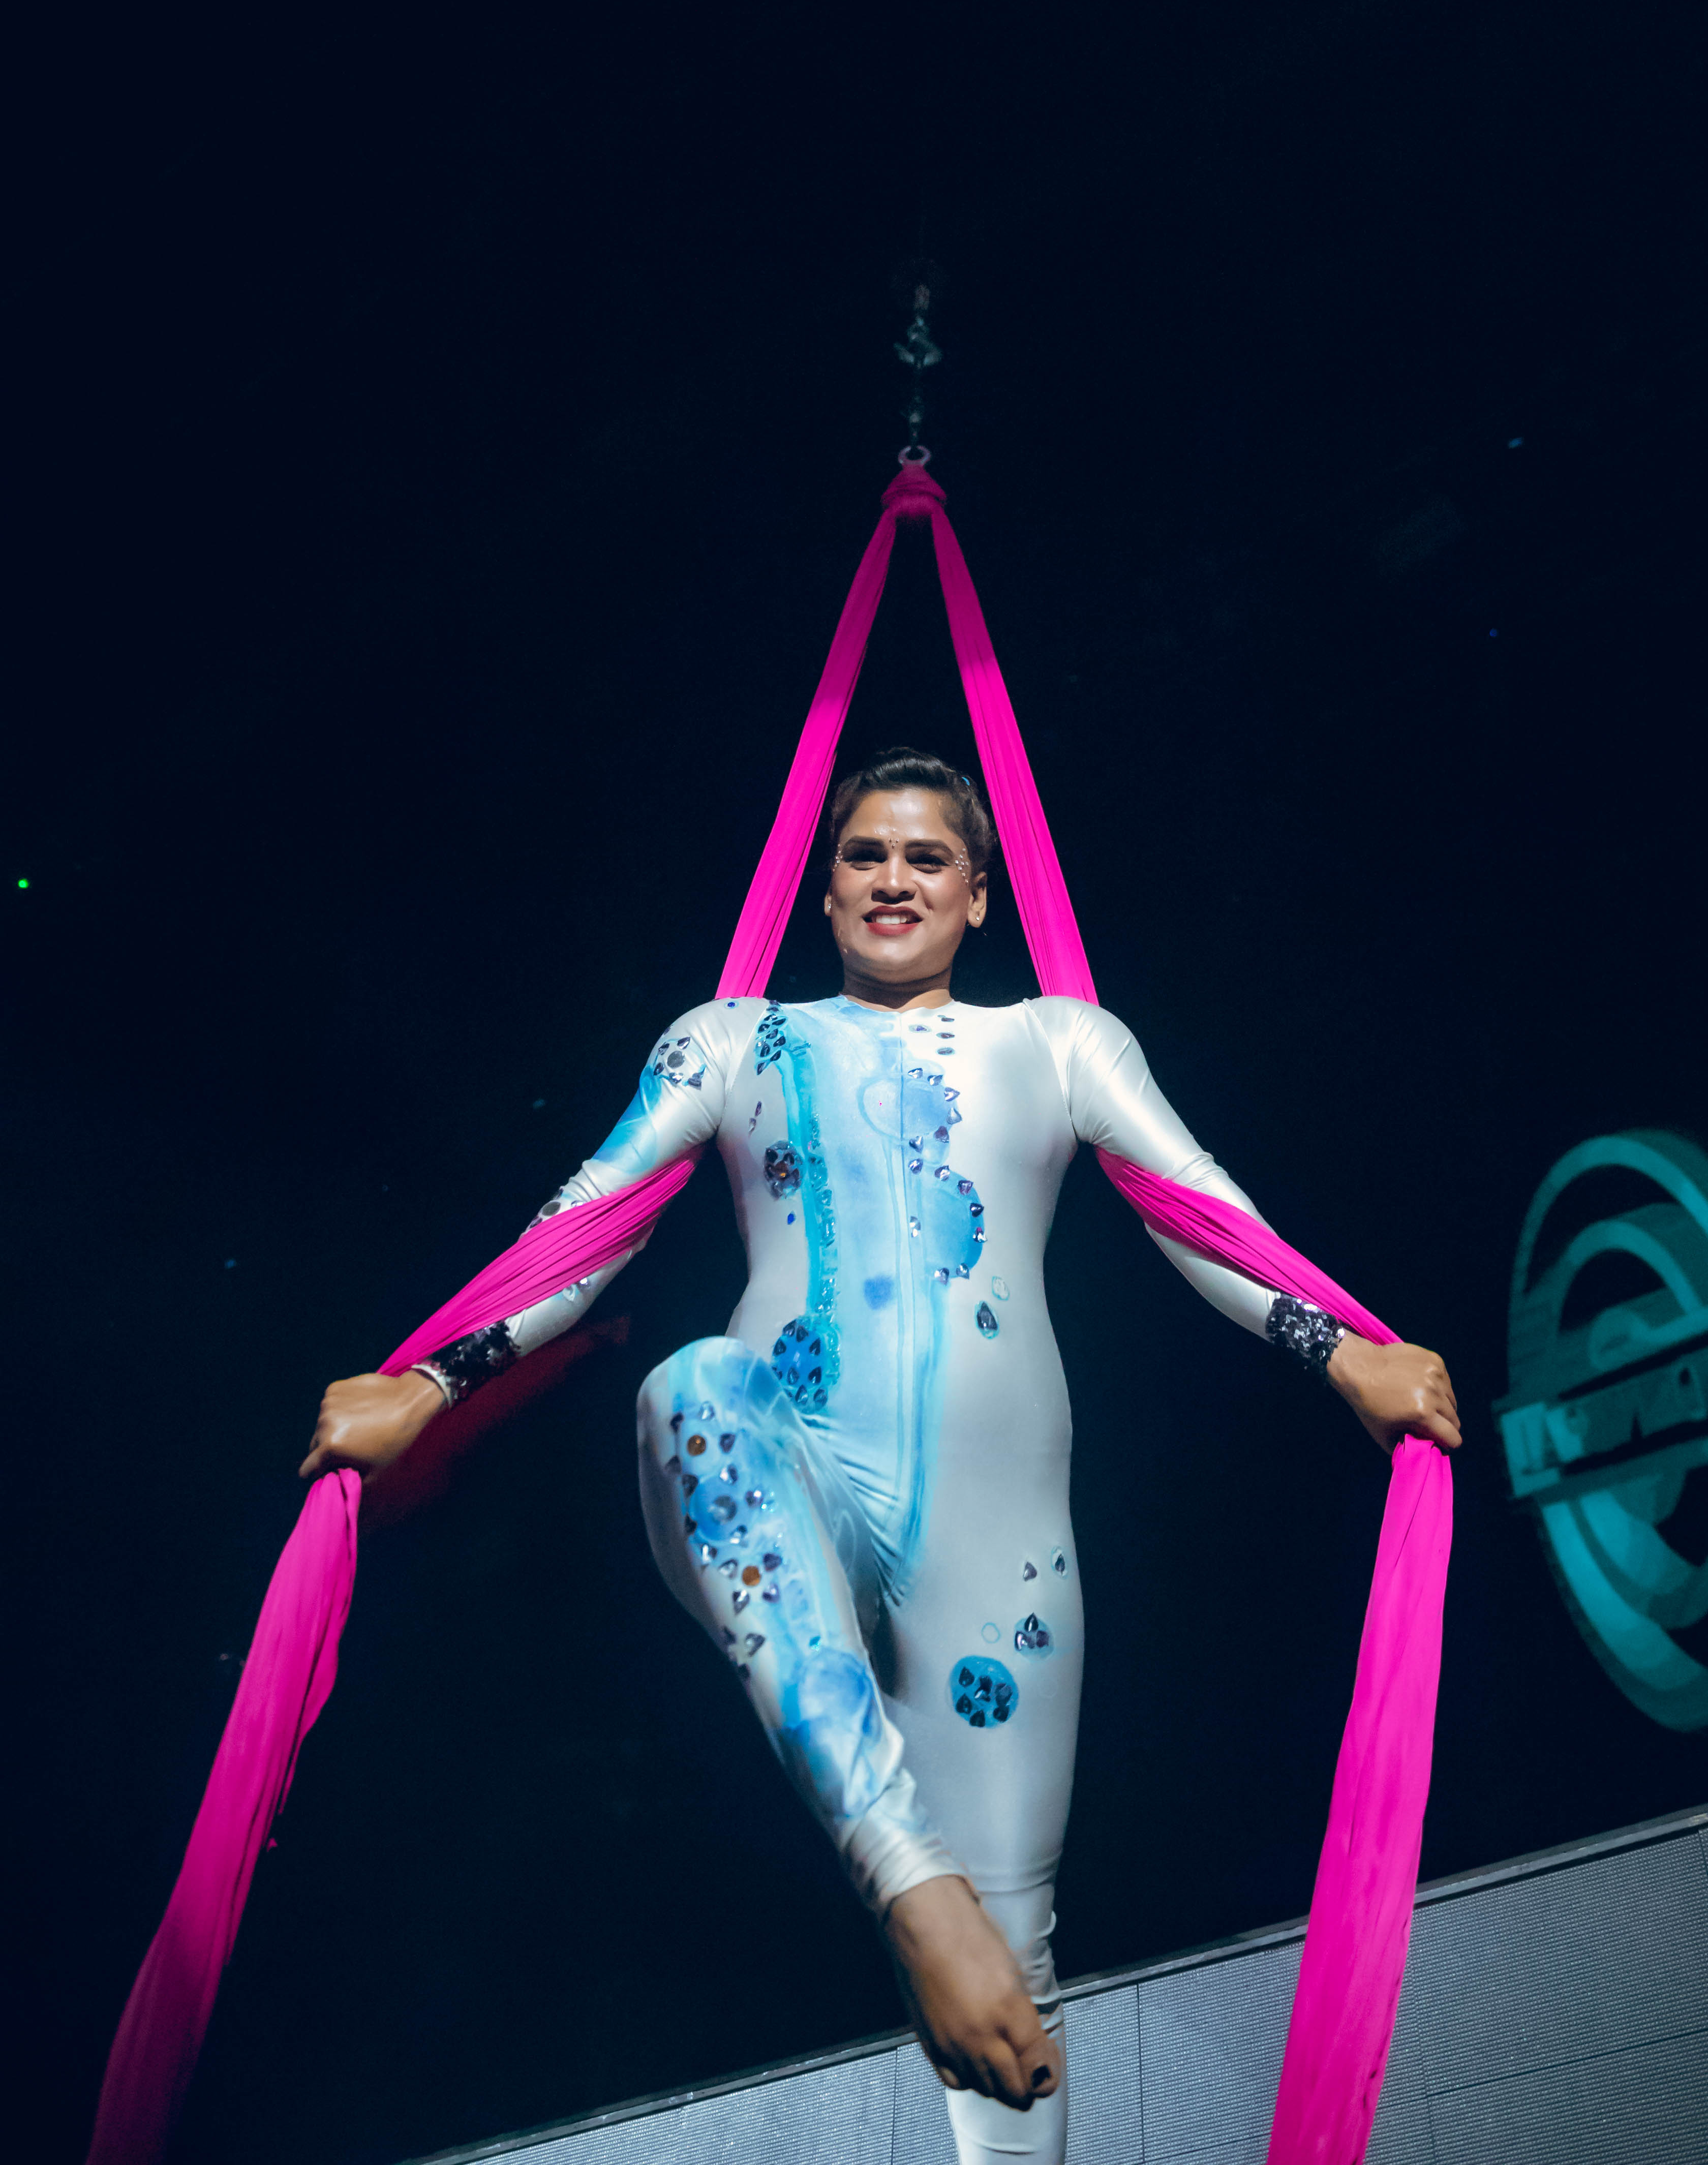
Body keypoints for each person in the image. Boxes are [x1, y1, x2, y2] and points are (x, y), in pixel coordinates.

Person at [302, 750, 1461, 2158]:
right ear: (825, 888)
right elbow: (590, 1218)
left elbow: (1200, 1207)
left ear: (979, 896)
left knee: (1010, 1998)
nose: (893, 879)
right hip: (774, 1479)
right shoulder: (733, 1042)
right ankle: (906, 1879)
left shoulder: (1063, 1043)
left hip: (999, 1552)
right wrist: (430, 1381)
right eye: (865, 854)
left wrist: (1342, 1350)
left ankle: (951, 1927)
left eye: (927, 858)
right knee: (696, 1390)